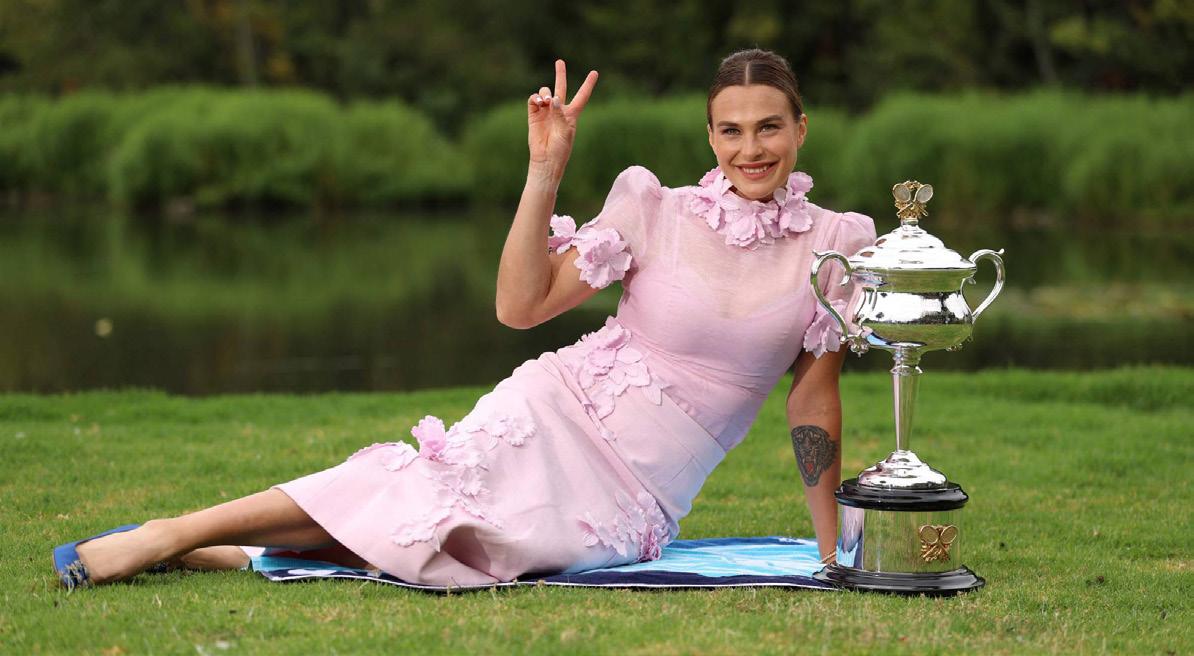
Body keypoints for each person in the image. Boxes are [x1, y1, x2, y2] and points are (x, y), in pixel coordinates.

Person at [52, 48, 875, 590]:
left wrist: (829, 551)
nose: (751, 149)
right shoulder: (653, 206)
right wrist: (544, 171)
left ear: (801, 129)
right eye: (732, 130)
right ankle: (169, 533)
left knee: (473, 547)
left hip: (641, 493)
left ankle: (229, 553)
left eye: (770, 127)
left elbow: (813, 401)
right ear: (710, 135)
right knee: (423, 492)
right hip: (557, 410)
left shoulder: (839, 245)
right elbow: (519, 307)